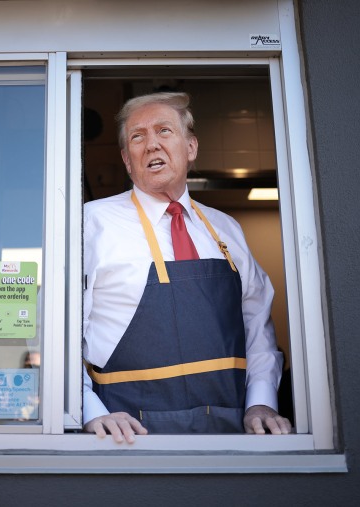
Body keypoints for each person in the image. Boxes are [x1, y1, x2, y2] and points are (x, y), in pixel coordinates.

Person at [82, 92, 291, 443]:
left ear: (191, 148)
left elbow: (257, 325)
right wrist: (89, 410)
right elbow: (60, 332)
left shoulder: (227, 229)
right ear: (126, 160)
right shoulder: (91, 223)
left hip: (232, 437)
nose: (151, 145)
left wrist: (262, 402)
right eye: (138, 137)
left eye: (164, 131)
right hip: (127, 437)